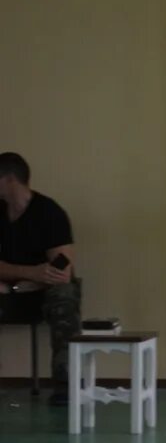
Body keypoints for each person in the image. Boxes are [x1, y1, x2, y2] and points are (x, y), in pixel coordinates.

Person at [0, 152, 81, 407]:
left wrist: (31, 279)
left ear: (9, 179)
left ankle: (65, 384)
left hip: (43, 291)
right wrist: (28, 273)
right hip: (8, 289)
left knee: (64, 294)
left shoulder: (49, 212)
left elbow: (61, 269)